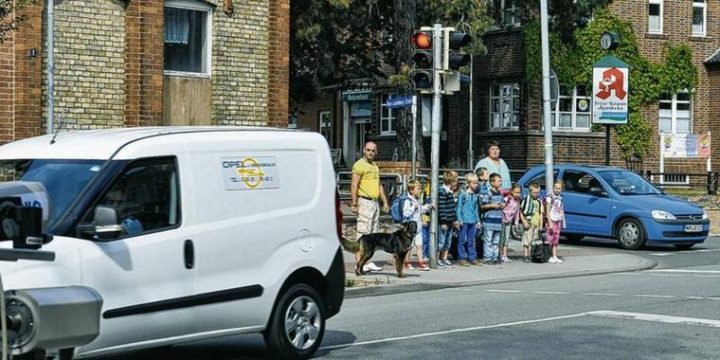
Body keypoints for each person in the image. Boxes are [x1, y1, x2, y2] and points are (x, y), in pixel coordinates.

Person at [350, 141, 390, 272]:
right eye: (368, 150)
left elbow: (379, 185)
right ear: (363, 150)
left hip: (374, 202)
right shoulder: (359, 165)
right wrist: (354, 203)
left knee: (372, 235)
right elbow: (354, 184)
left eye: (373, 150)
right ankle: (358, 263)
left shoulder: (375, 166)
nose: (370, 152)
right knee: (363, 234)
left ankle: (366, 261)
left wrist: (384, 201)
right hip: (364, 201)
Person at [402, 179, 433, 271]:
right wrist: (413, 207)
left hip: (418, 227)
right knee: (410, 246)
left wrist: (427, 207)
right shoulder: (408, 201)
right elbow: (406, 213)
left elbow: (420, 210)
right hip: (410, 228)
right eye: (418, 189)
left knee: (419, 245)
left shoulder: (417, 200)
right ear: (411, 190)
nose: (420, 191)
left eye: (420, 189)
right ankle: (406, 262)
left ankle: (421, 263)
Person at [455, 173, 481, 266]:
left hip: (472, 220)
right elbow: (458, 207)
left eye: (476, 183)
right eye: (474, 183)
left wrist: (478, 220)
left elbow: (476, 209)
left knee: (471, 240)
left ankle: (472, 257)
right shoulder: (463, 194)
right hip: (464, 221)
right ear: (468, 183)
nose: (476, 185)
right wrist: (459, 219)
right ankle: (461, 258)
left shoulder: (475, 195)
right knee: (462, 240)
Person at [480, 173, 505, 264]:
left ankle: (495, 257)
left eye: (501, 180)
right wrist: (493, 205)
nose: (500, 182)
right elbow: (483, 205)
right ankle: (487, 257)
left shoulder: (500, 194)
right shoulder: (488, 193)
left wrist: (503, 204)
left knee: (496, 241)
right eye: (499, 181)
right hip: (489, 221)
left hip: (498, 221)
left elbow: (503, 203)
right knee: (488, 240)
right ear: (492, 182)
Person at [437, 170, 459, 268]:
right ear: (450, 181)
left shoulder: (450, 192)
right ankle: (437, 258)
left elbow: (451, 208)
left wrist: (454, 220)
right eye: (455, 181)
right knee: (441, 241)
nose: (456, 183)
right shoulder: (442, 191)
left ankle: (444, 258)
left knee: (448, 241)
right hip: (444, 221)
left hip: (450, 220)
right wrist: (443, 221)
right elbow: (442, 207)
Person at [520, 181, 544, 263]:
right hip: (529, 223)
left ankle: (532, 255)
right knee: (527, 240)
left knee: (534, 241)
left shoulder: (539, 201)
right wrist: (524, 222)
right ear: (530, 191)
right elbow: (521, 212)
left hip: (536, 224)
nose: (536, 194)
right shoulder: (526, 200)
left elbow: (541, 213)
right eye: (534, 192)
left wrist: (541, 224)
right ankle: (525, 255)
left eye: (538, 192)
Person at [500, 183, 522, 263]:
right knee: (501, 238)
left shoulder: (517, 200)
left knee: (506, 239)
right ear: (511, 191)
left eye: (519, 193)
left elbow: (517, 211)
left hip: (509, 221)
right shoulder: (508, 198)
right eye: (516, 192)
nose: (517, 194)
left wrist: (516, 222)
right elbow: (502, 207)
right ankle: (499, 255)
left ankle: (505, 255)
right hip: (502, 220)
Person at [546, 180, 566, 264]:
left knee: (556, 239)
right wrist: (549, 222)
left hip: (558, 220)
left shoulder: (561, 198)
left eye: (559, 188)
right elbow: (547, 211)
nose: (557, 190)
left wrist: (563, 221)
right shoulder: (550, 197)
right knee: (550, 238)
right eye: (556, 188)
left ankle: (554, 255)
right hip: (552, 219)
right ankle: (548, 255)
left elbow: (561, 210)